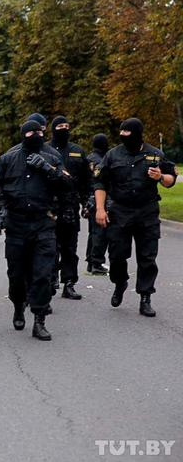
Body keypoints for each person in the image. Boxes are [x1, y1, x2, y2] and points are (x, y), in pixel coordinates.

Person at [0, 120, 70, 341]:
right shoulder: (7, 159)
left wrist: (48, 169)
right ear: (23, 135)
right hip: (16, 225)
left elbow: (68, 185)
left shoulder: (51, 158)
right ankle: (18, 305)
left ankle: (39, 320)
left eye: (39, 131)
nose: (36, 135)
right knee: (17, 275)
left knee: (42, 274)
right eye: (31, 132)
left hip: (43, 224)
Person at [94, 118, 177, 317]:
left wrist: (161, 177)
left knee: (147, 257)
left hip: (146, 211)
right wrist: (100, 209)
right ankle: (120, 281)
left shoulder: (155, 154)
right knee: (116, 255)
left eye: (128, 134)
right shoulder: (112, 155)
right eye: (121, 134)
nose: (124, 137)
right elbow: (100, 183)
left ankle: (145, 297)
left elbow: (170, 179)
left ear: (138, 134)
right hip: (120, 211)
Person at [48, 116, 91, 300]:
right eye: (60, 126)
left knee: (69, 248)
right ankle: (49, 280)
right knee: (49, 246)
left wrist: (87, 202)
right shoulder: (44, 150)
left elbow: (86, 181)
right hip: (49, 207)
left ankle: (69, 283)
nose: (64, 129)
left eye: (66, 126)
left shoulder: (77, 151)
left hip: (70, 206)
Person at [85, 133, 110, 275]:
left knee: (93, 232)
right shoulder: (101, 160)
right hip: (98, 198)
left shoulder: (89, 159)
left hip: (90, 198)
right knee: (101, 232)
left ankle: (91, 260)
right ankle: (97, 262)